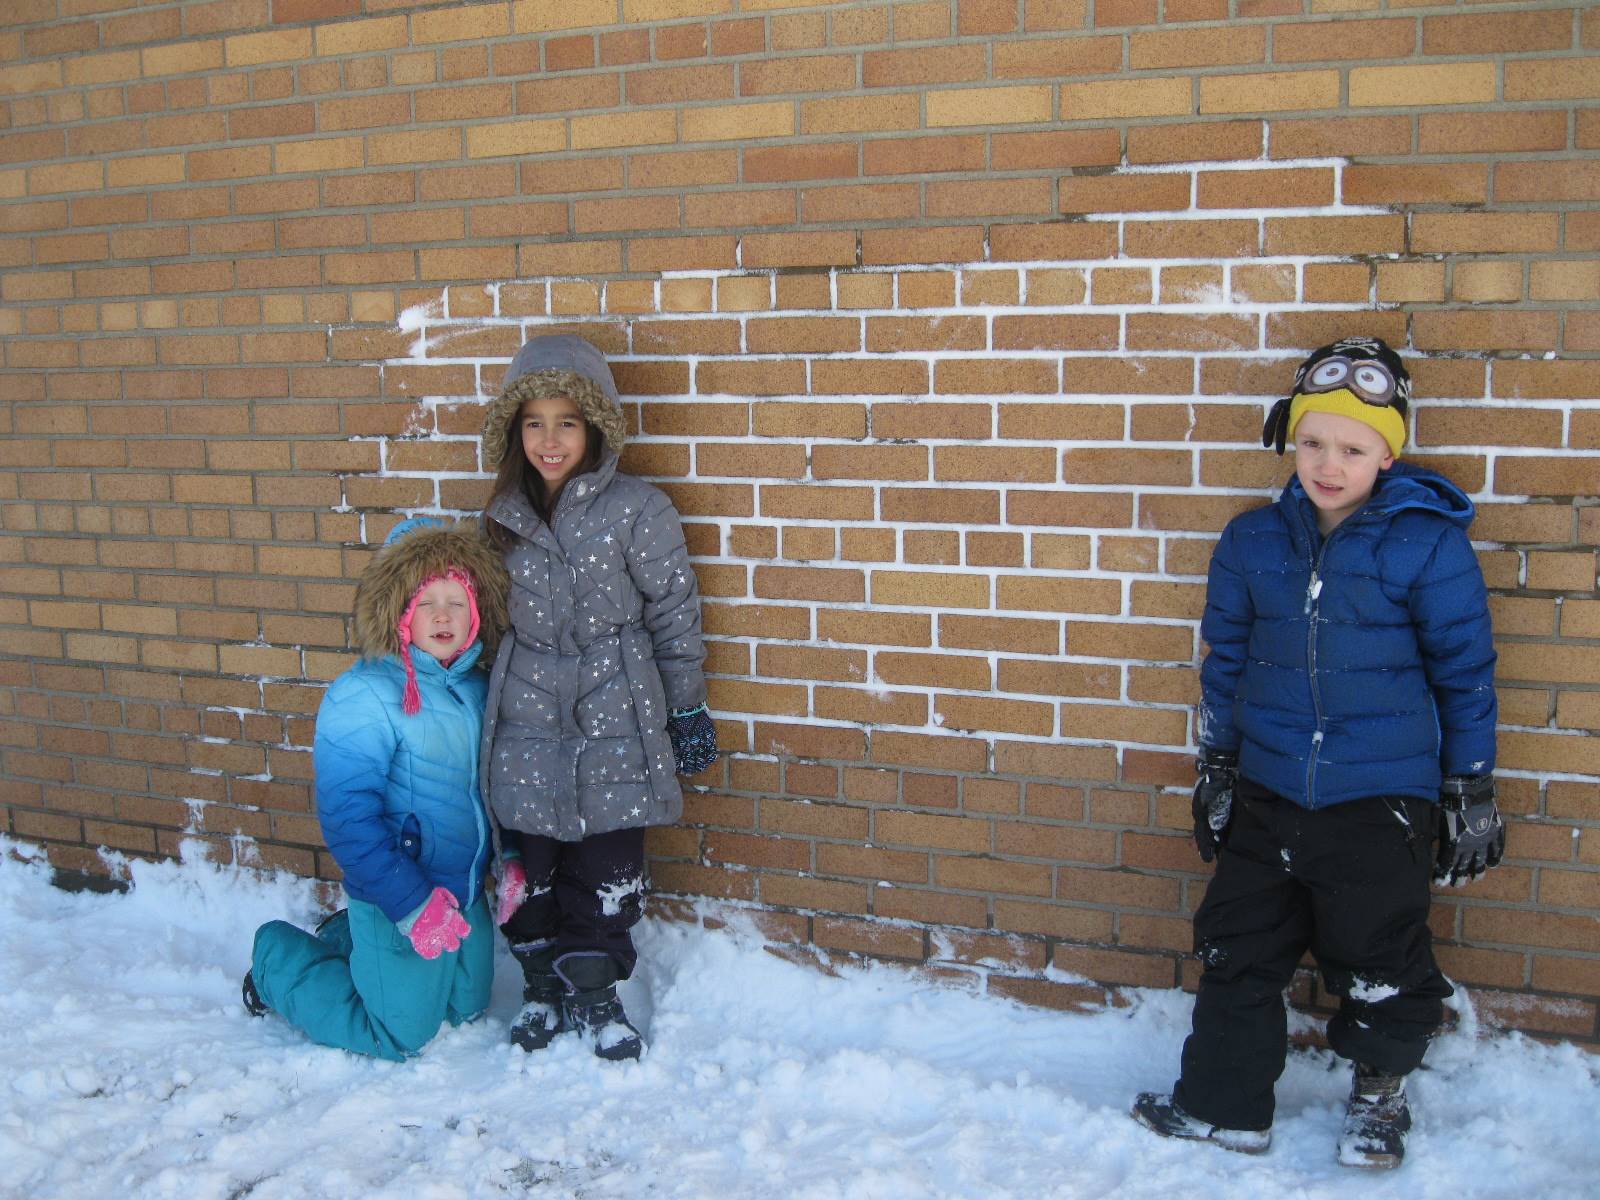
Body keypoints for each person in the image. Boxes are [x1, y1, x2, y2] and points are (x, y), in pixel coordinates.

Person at [1131, 337, 1504, 1168]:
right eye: (1312, 442)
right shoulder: (1252, 541)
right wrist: (1219, 767)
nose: (1328, 464)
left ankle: (1377, 1101)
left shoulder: (1428, 544)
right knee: (1238, 945)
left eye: (1353, 448)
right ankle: (1225, 1104)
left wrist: (1468, 787)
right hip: (1268, 787)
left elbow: (1466, 672)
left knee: (1381, 959)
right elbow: (1224, 664)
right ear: (1289, 440)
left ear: (1389, 452)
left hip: (1379, 799)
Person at [478, 333, 717, 1062]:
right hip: (524, 719)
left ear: (596, 429)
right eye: (535, 424)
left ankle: (596, 993)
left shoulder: (639, 509)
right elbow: (479, 623)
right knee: (531, 868)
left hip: (619, 714)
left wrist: (686, 707)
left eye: (568, 423)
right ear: (517, 433)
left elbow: (674, 613)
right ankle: (541, 990)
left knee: (609, 864)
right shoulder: (499, 520)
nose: (551, 441)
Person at [243, 517, 510, 1061]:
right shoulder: (362, 695)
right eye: (424, 600)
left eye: (456, 600)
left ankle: (346, 941)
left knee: (465, 1009)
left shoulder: (480, 688)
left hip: (462, 890)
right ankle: (275, 962)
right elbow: (349, 820)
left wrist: (515, 860)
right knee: (400, 1034)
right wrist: (410, 904)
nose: (442, 615)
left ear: (476, 613)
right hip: (399, 893)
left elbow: (499, 788)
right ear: (397, 612)